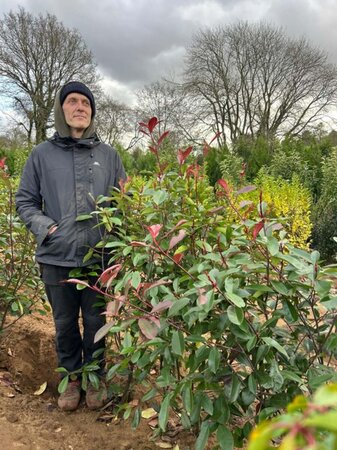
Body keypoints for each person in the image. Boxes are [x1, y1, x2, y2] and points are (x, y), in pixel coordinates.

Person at [15, 81, 126, 411]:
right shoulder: (41, 155)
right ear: (61, 109)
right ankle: (71, 379)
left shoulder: (109, 156)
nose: (80, 107)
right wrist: (47, 229)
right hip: (56, 257)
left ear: (92, 112)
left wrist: (116, 239)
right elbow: (25, 200)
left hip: (98, 258)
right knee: (64, 325)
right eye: (73, 101)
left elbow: (124, 201)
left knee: (95, 324)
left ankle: (94, 378)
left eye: (86, 103)